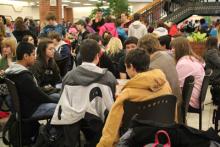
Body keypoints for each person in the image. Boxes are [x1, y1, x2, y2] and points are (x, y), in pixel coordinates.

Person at [97, 49, 173, 147]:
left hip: (132, 137)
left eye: (126, 67)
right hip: (161, 134)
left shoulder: (128, 93)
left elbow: (112, 127)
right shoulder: (165, 84)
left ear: (131, 67)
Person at [51, 39, 117, 147]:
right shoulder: (108, 77)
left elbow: (63, 100)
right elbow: (112, 101)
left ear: (80, 55)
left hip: (72, 123)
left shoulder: (69, 77)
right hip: (101, 123)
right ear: (98, 55)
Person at [5, 42, 56, 143]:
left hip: (23, 107)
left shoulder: (12, 71)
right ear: (25, 56)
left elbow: (35, 92)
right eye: (33, 54)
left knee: (56, 97)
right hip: (30, 110)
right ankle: (48, 136)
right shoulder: (23, 76)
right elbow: (38, 95)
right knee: (61, 108)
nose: (35, 57)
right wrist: (53, 102)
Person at [138, 34, 182, 122]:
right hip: (176, 104)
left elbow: (146, 92)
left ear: (143, 49)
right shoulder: (168, 57)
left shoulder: (152, 67)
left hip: (165, 110)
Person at [171, 37, 205, 111]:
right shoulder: (190, 59)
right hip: (195, 100)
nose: (172, 50)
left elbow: (175, 86)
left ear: (181, 49)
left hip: (190, 102)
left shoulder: (184, 63)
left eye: (174, 48)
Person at [204, 37, 220, 104]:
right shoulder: (212, 52)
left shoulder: (209, 51)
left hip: (212, 73)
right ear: (215, 43)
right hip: (215, 75)